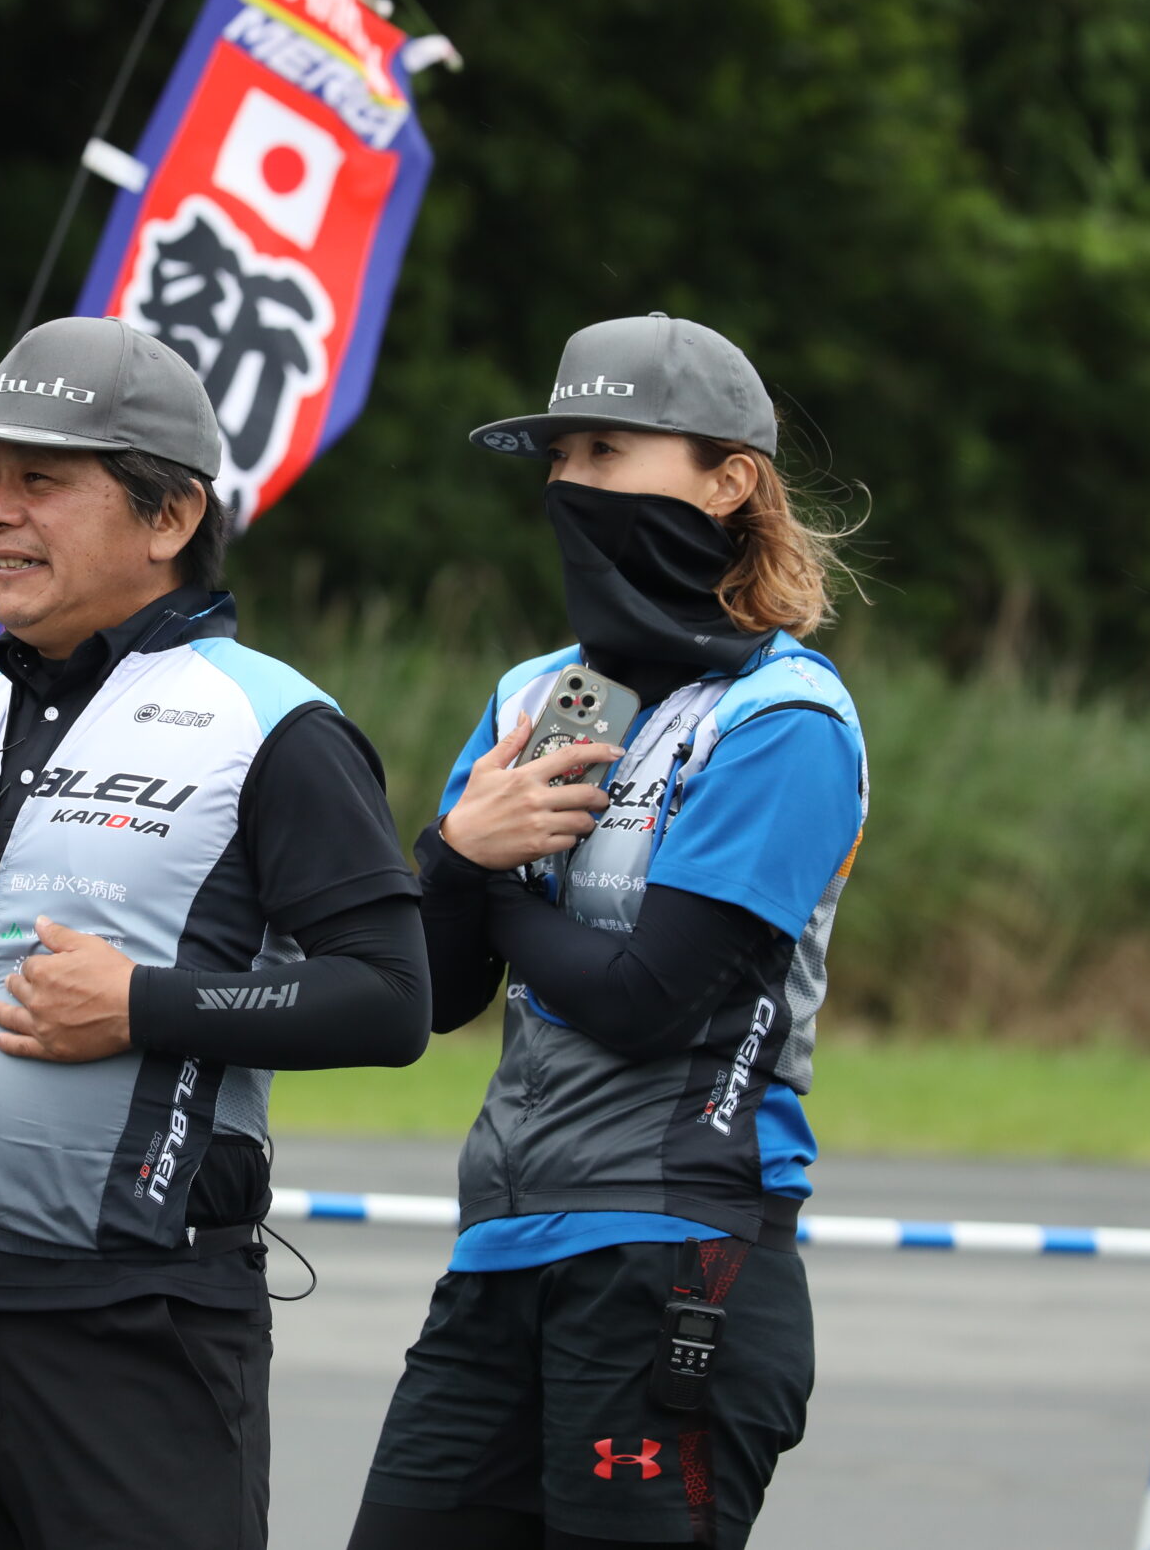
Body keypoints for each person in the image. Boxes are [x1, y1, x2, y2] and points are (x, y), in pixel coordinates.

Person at [0, 315, 432, 1550]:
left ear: (169, 517)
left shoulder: (274, 721)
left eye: (41, 480)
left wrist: (145, 1006)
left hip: (136, 1311)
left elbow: (389, 996)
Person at [346, 314, 867, 1550]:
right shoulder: (536, 697)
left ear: (728, 482)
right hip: (500, 1244)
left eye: (605, 452)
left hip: (679, 1247)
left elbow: (646, 998)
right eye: (559, 456)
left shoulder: (783, 718)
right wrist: (450, 859)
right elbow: (437, 993)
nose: (570, 484)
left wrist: (480, 874)